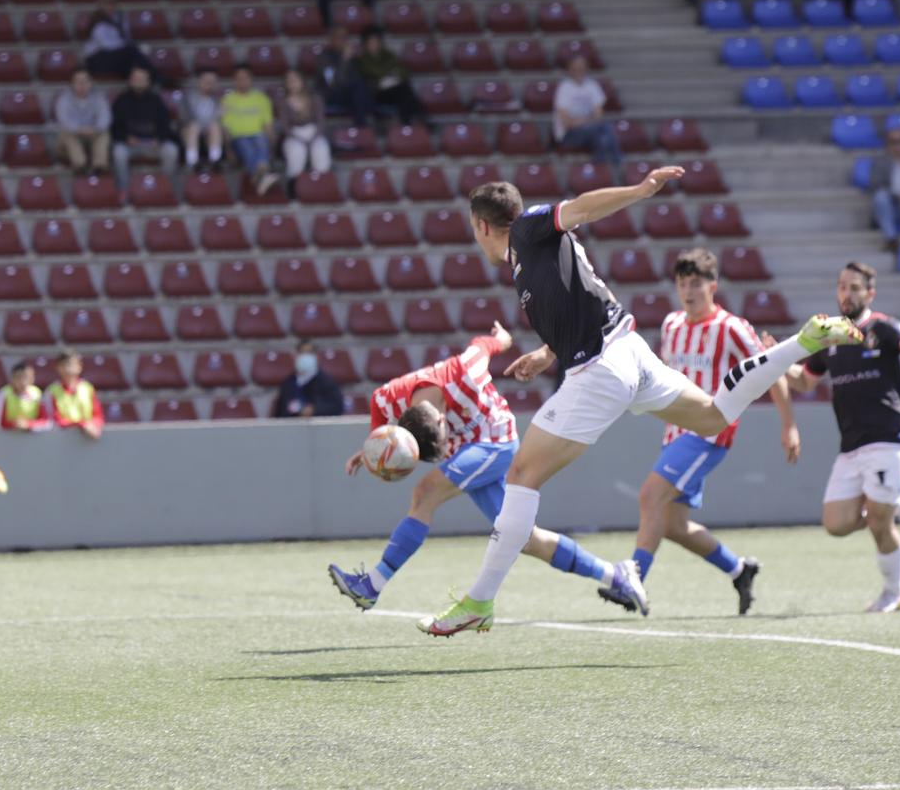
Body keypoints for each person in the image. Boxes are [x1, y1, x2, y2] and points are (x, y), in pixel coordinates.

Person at [415, 176, 858, 637]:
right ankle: (800, 344)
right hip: (630, 353)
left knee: (521, 477)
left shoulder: (527, 228)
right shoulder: (530, 258)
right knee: (713, 415)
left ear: (482, 226)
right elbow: (581, 299)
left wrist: (640, 190)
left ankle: (480, 600)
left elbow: (582, 207)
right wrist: (548, 353)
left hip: (603, 368)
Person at [327, 326, 644, 613]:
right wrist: (372, 451)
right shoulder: (384, 400)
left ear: (441, 419)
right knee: (524, 538)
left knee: (425, 492)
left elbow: (482, 345)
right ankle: (616, 575)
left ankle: (371, 586)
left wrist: (502, 339)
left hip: (496, 440)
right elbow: (381, 432)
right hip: (468, 451)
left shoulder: (464, 371)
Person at [613, 249, 801, 615]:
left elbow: (769, 369)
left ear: (712, 286)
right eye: (682, 283)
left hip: (710, 431)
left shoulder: (731, 327)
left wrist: (789, 424)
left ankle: (632, 582)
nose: (689, 291)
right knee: (672, 524)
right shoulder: (671, 325)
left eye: (696, 283)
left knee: (650, 497)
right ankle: (738, 569)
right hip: (676, 430)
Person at [793, 262, 900, 613]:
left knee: (877, 523)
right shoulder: (830, 335)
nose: (847, 294)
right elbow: (805, 381)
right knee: (835, 525)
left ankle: (894, 591)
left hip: (890, 439)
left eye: (855, 288)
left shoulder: (883, 327)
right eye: (843, 286)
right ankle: (899, 499)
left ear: (870, 293)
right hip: (851, 446)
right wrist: (772, 361)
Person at [110, 65, 179, 191]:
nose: (139, 81)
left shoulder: (156, 100)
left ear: (148, 81)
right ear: (130, 80)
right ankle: (123, 191)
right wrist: (126, 138)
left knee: (171, 150)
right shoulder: (121, 100)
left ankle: (165, 187)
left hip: (153, 144)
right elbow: (114, 127)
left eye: (143, 79)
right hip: (129, 144)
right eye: (137, 78)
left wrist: (158, 139)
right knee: (118, 153)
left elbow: (165, 125)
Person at [551, 53, 621, 165]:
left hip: (590, 131)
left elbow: (599, 114)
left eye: (582, 67)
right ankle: (618, 162)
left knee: (602, 140)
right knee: (605, 128)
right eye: (576, 67)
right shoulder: (564, 88)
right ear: (570, 69)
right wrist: (589, 120)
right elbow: (567, 122)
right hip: (569, 135)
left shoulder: (592, 85)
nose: (579, 70)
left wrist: (585, 121)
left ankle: (600, 172)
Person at [354, 27, 429, 127]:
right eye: (371, 42)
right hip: (377, 93)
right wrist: (391, 75)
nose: (374, 44)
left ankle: (408, 122)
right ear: (365, 44)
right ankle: (419, 118)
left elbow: (403, 72)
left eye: (376, 41)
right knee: (404, 90)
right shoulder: (363, 59)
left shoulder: (388, 55)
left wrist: (390, 78)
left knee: (403, 90)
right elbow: (374, 73)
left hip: (393, 90)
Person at [81, 0, 153, 82]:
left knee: (133, 63)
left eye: (113, 1)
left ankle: (144, 82)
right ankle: (157, 78)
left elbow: (127, 38)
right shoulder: (97, 20)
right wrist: (133, 48)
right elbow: (107, 45)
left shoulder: (121, 18)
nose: (110, 5)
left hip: (117, 57)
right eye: (107, 1)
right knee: (132, 52)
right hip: (97, 58)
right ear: (100, 3)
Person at [53, 68, 113, 174]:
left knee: (104, 133)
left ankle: (100, 167)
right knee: (68, 133)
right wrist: (80, 130)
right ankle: (80, 165)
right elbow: (65, 121)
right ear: (72, 84)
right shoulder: (64, 99)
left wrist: (95, 129)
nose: (82, 85)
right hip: (72, 137)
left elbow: (105, 118)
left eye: (85, 81)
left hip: (92, 134)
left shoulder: (99, 98)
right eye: (78, 82)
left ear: (91, 83)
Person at [276, 68, 332, 181]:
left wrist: (314, 137)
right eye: (289, 81)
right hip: (294, 134)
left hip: (314, 132)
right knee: (296, 152)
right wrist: (299, 139)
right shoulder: (282, 102)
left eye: (295, 80)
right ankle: (294, 186)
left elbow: (321, 121)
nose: (292, 84)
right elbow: (285, 126)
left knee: (320, 150)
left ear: (302, 81)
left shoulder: (315, 98)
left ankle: (321, 183)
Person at [273, 339, 344, 418]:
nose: (305, 357)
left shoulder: (328, 382)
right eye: (302, 353)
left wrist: (315, 410)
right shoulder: (288, 384)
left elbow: (337, 408)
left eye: (309, 353)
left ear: (316, 356)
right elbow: (280, 413)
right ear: (296, 355)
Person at [47, 351, 105, 437]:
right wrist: (82, 425)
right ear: (58, 368)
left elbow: (98, 416)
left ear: (79, 366)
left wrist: (93, 425)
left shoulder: (88, 388)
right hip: (61, 439)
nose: (68, 368)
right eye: (64, 364)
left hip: (86, 439)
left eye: (72, 364)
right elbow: (55, 420)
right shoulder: (52, 391)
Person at [178, 68, 224, 170]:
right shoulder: (188, 98)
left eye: (213, 82)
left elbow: (219, 119)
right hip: (190, 129)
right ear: (200, 81)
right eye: (207, 81)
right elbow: (184, 118)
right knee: (194, 126)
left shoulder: (217, 99)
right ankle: (192, 162)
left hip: (209, 131)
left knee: (214, 126)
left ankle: (215, 161)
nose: (210, 84)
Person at [0, 361, 52, 433]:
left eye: (26, 377)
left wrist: (28, 424)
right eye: (18, 377)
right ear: (12, 379)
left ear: (32, 379)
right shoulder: (4, 393)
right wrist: (15, 425)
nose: (23, 382)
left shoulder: (37, 393)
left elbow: (47, 422)